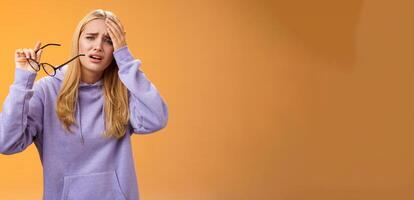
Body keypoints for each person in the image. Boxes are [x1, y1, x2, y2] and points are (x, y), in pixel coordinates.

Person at [0, 9, 168, 200]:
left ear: (116, 49)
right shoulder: (46, 91)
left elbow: (157, 119)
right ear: (77, 42)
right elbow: (6, 142)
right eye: (90, 37)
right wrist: (23, 80)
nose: (98, 46)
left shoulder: (123, 90)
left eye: (109, 41)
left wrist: (126, 60)